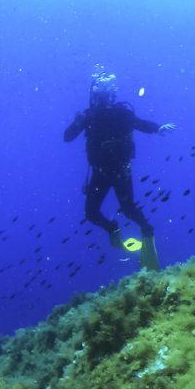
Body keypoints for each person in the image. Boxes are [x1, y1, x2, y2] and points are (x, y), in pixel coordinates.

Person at [64, 67, 176, 270]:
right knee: (91, 213)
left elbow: (140, 123)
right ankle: (112, 229)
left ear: (112, 96)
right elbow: (67, 137)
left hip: (120, 170)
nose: (103, 101)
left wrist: (157, 127)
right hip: (100, 172)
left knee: (128, 209)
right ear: (95, 97)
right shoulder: (88, 116)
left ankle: (147, 232)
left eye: (106, 97)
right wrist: (76, 122)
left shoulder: (122, 113)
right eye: (100, 97)